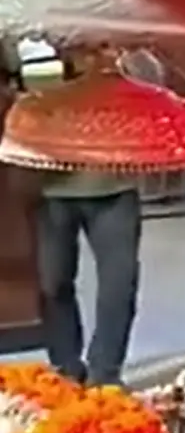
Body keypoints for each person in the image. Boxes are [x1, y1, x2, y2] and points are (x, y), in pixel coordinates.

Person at [36, 48, 152, 388]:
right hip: (52, 184)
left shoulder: (119, 46)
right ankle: (66, 367)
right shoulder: (37, 45)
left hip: (115, 185)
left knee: (119, 285)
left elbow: (153, 81)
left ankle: (105, 373)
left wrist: (118, 57)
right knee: (53, 282)